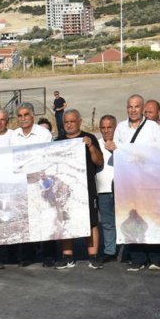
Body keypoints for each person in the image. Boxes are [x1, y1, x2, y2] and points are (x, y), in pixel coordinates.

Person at [111, 95, 160, 271]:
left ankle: (156, 257)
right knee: (133, 218)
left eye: (137, 107)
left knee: (150, 215)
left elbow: (159, 151)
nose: (133, 110)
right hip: (129, 181)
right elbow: (116, 151)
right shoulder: (120, 128)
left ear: (142, 108)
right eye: (130, 107)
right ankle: (138, 258)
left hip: (148, 180)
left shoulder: (152, 127)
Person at [55, 108, 105, 269]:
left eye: (72, 121)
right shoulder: (58, 141)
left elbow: (99, 161)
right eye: (66, 122)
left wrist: (90, 147)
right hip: (65, 189)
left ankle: (94, 255)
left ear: (79, 122)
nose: (69, 125)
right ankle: (67, 256)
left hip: (86, 188)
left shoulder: (89, 138)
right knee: (65, 220)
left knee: (91, 221)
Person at [95, 115, 118, 264]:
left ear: (115, 128)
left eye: (109, 127)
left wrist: (117, 149)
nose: (106, 130)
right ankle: (110, 251)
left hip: (123, 188)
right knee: (107, 222)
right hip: (102, 189)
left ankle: (127, 250)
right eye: (103, 127)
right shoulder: (95, 144)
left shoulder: (122, 143)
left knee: (125, 221)